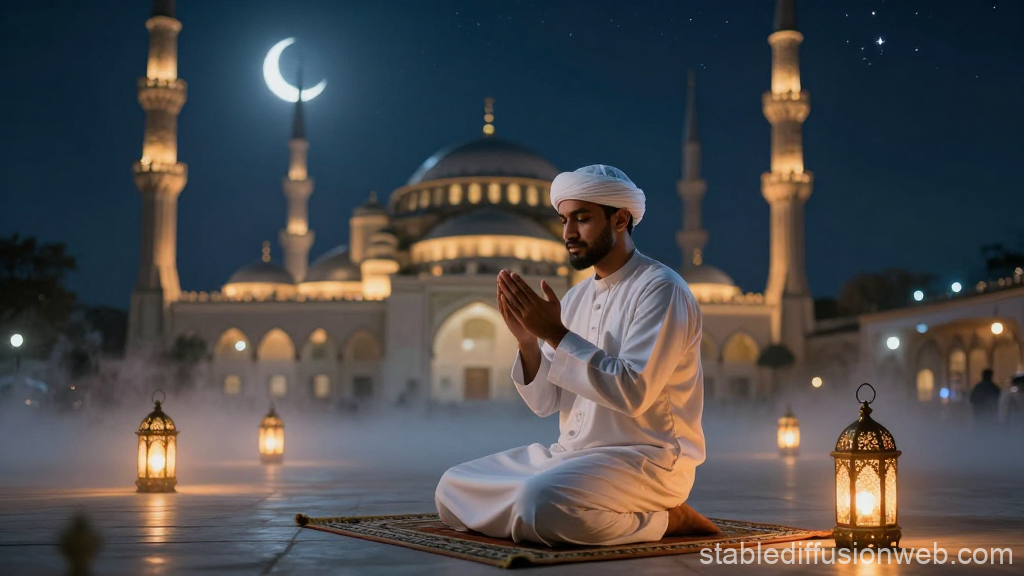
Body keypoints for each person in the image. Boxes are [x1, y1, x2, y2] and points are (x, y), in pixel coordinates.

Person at [435, 165, 717, 546]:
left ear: (619, 219)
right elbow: (547, 402)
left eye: (581, 219)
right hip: (571, 457)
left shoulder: (661, 290)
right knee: (452, 489)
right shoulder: (577, 296)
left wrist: (554, 332)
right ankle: (598, 509)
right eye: (564, 220)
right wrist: (528, 342)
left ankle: (665, 519)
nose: (568, 233)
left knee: (540, 505)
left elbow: (632, 392)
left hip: (646, 461)